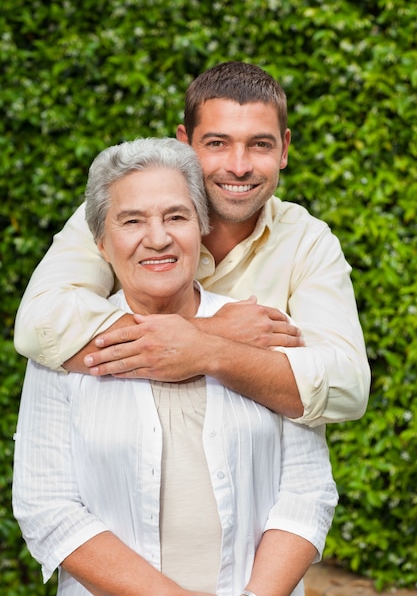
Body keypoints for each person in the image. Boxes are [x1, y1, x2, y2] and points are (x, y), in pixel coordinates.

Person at [13, 137, 338, 596]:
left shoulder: (263, 329)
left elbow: (307, 495)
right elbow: (47, 508)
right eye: (132, 221)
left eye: (176, 216)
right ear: (102, 244)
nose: (159, 237)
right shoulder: (70, 350)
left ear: (201, 228)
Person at [13, 61, 370, 425]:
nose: (239, 166)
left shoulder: (306, 241)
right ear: (184, 143)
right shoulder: (120, 212)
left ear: (284, 149)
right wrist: (218, 333)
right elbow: (38, 325)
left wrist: (210, 352)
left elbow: (346, 387)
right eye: (217, 143)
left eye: (260, 144)